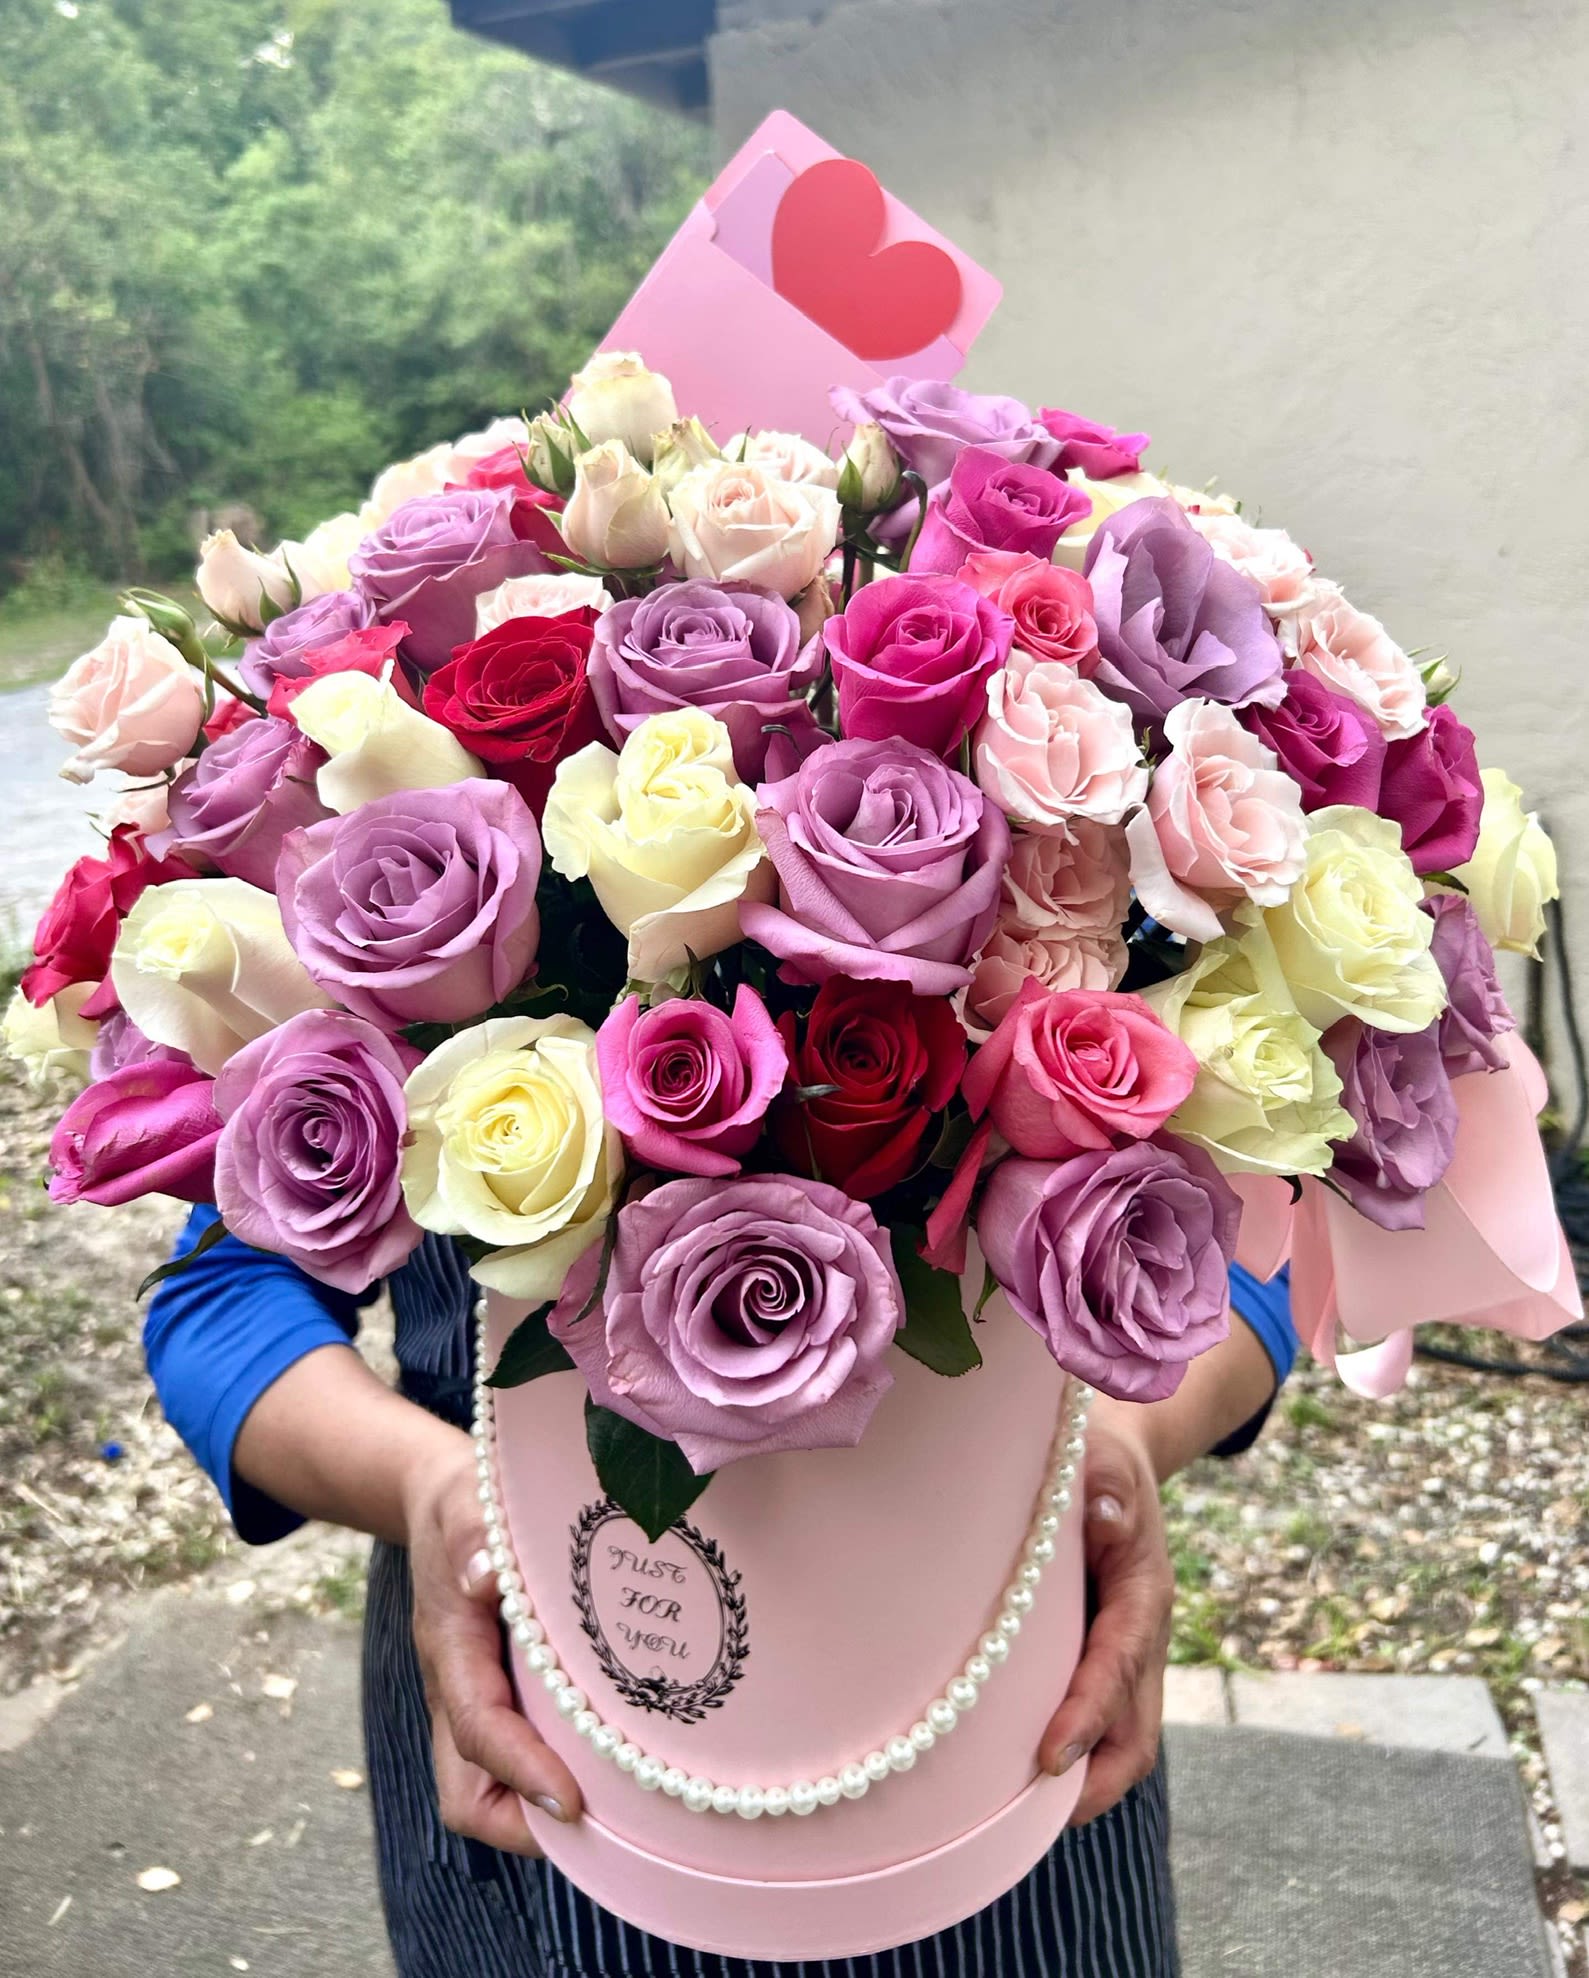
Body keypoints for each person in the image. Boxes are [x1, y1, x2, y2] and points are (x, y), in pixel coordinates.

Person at [147, 1208, 1296, 1978]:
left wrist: (1130, 1439)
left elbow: (1255, 1233)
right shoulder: (339, 844)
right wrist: (428, 1486)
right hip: (546, 1703)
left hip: (1008, 1721)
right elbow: (223, 1293)